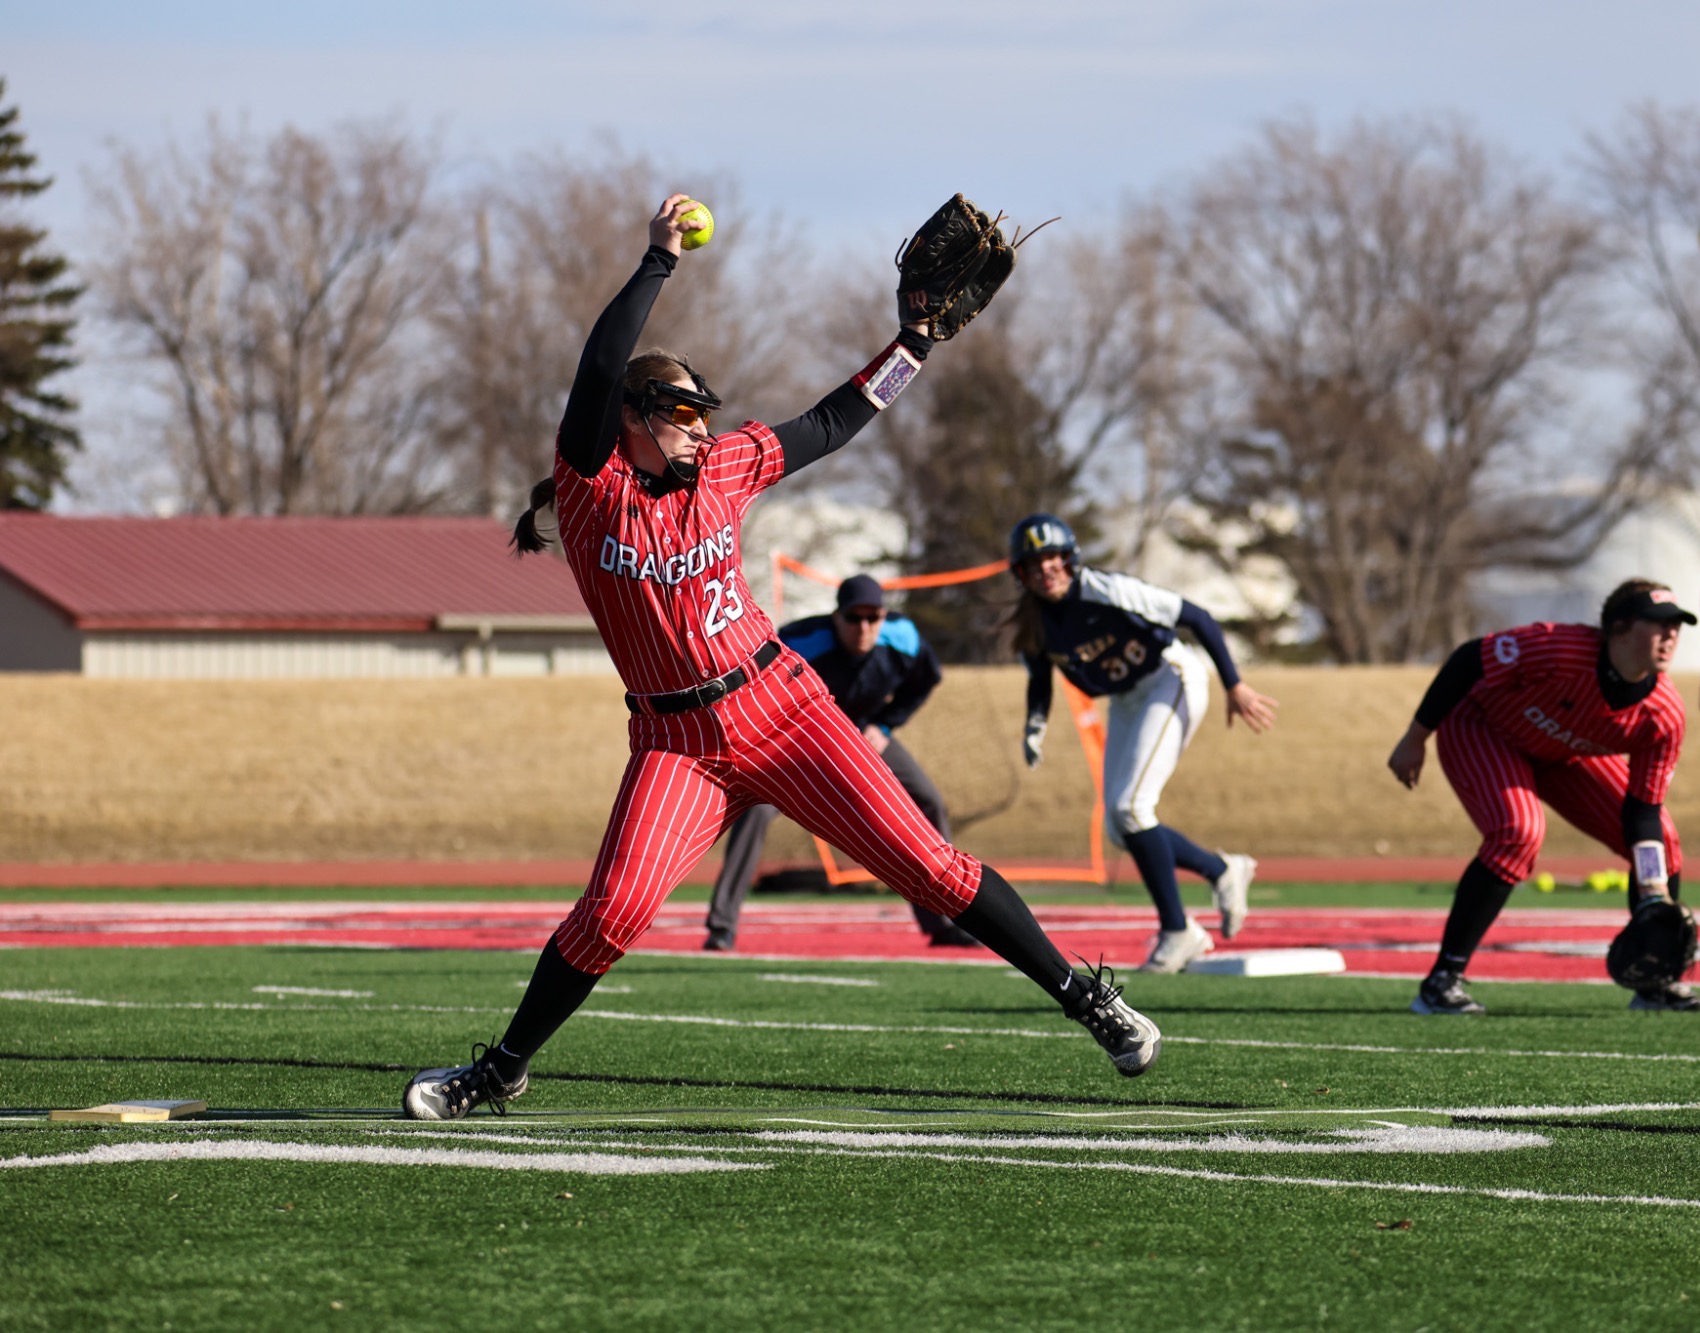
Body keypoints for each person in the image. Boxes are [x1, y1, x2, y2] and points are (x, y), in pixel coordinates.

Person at [402, 194, 1159, 1120]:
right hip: (678, 743)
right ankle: (504, 1067)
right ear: (630, 419)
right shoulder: (594, 489)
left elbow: (835, 420)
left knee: (932, 867)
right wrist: (657, 262)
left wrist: (911, 346)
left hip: (782, 704)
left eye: (701, 412)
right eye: (680, 412)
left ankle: (1087, 996)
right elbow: (598, 364)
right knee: (612, 914)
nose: (699, 427)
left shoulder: (721, 468)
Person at [1386, 578, 1700, 1015]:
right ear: (1619, 628)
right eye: (1657, 624)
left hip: (1563, 753)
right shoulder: (1559, 648)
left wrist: (1653, 889)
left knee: (1663, 845)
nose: (1670, 634)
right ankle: (1441, 981)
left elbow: (1644, 810)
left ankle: (1655, 983)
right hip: (1484, 726)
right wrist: (1415, 737)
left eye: (1676, 625)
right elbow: (1469, 659)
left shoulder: (1663, 713)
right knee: (1518, 833)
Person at [1008, 513, 1277, 974]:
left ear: (1070, 560)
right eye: (1034, 565)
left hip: (1167, 677)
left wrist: (1235, 684)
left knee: (1132, 808)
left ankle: (1178, 931)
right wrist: (1035, 726)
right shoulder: (1033, 622)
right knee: (1120, 825)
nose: (1045, 572)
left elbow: (1198, 617)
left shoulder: (1106, 589)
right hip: (1128, 699)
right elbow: (1040, 680)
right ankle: (1221, 870)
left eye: (1053, 560)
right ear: (1021, 574)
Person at [702, 572, 979, 950]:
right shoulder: (799, 642)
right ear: (836, 617)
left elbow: (926, 679)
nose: (863, 627)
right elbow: (755, 686)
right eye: (853, 618)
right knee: (756, 810)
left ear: (884, 616)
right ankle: (722, 926)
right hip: (796, 737)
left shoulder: (904, 638)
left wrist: (885, 724)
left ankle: (943, 920)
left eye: (873, 617)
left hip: (862, 734)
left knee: (927, 800)